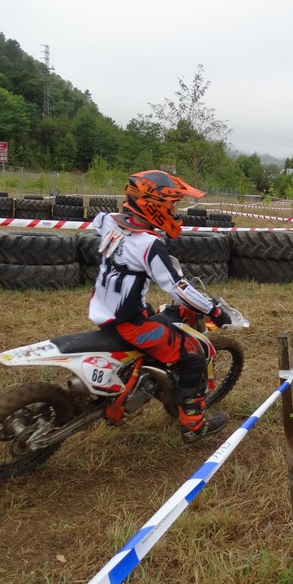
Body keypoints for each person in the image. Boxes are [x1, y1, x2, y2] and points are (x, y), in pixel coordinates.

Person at [88, 170, 232, 442]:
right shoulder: (149, 244)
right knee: (192, 357)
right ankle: (193, 425)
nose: (175, 212)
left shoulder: (108, 221)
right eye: (172, 206)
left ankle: (146, 376)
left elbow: (96, 223)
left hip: (104, 311)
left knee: (155, 313)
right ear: (154, 205)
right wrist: (214, 310)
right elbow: (179, 290)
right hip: (129, 326)